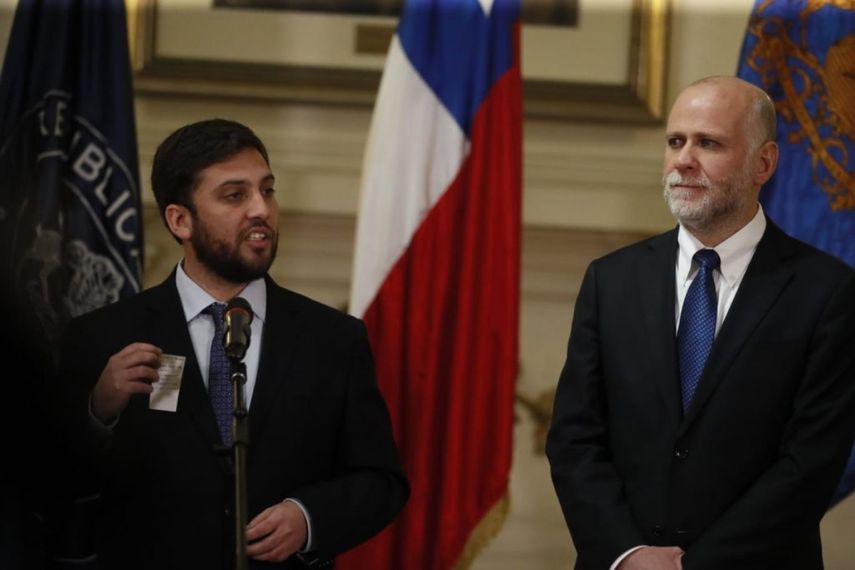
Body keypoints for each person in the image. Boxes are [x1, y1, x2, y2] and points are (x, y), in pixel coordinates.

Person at [57, 118, 409, 569]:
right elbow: (50, 488)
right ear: (180, 220)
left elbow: (380, 481)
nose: (261, 209)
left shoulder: (333, 340)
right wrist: (98, 411)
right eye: (235, 195)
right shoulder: (103, 336)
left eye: (268, 190)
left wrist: (308, 518)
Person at [546, 76, 855, 570]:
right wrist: (628, 555)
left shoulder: (828, 291)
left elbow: (810, 463)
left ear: (764, 163)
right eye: (675, 141)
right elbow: (574, 439)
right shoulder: (611, 281)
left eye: (708, 143)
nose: (683, 160)